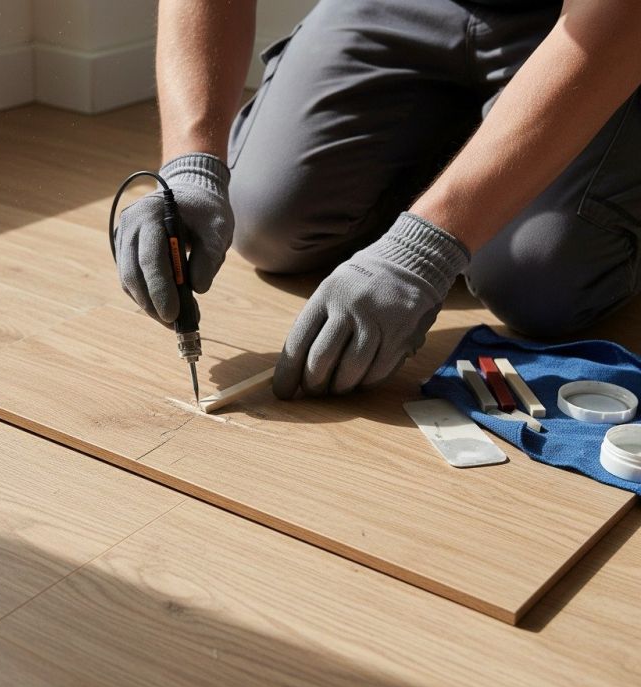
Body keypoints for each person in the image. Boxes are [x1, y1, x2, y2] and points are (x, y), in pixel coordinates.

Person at [114, 0, 641, 399]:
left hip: (596, 21)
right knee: (267, 224)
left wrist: (425, 249)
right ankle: (464, 145)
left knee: (538, 283)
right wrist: (191, 161)